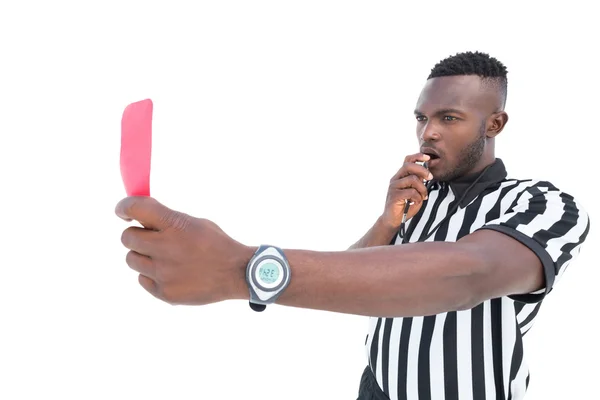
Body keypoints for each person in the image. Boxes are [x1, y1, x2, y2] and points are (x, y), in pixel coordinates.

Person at [115, 51, 590, 400]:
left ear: (495, 124)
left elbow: (469, 274)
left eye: (450, 118)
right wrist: (387, 222)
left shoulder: (544, 203)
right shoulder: (417, 197)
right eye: (422, 118)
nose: (429, 132)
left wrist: (244, 268)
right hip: (376, 386)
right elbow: (352, 272)